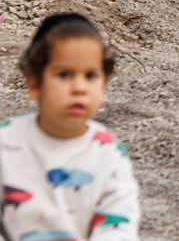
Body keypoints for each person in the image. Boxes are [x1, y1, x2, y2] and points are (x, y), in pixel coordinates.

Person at [1, 13, 140, 240]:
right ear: (35, 83)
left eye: (90, 76)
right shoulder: (6, 144)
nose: (79, 87)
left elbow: (118, 225)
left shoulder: (109, 154)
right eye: (64, 74)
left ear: (104, 84)